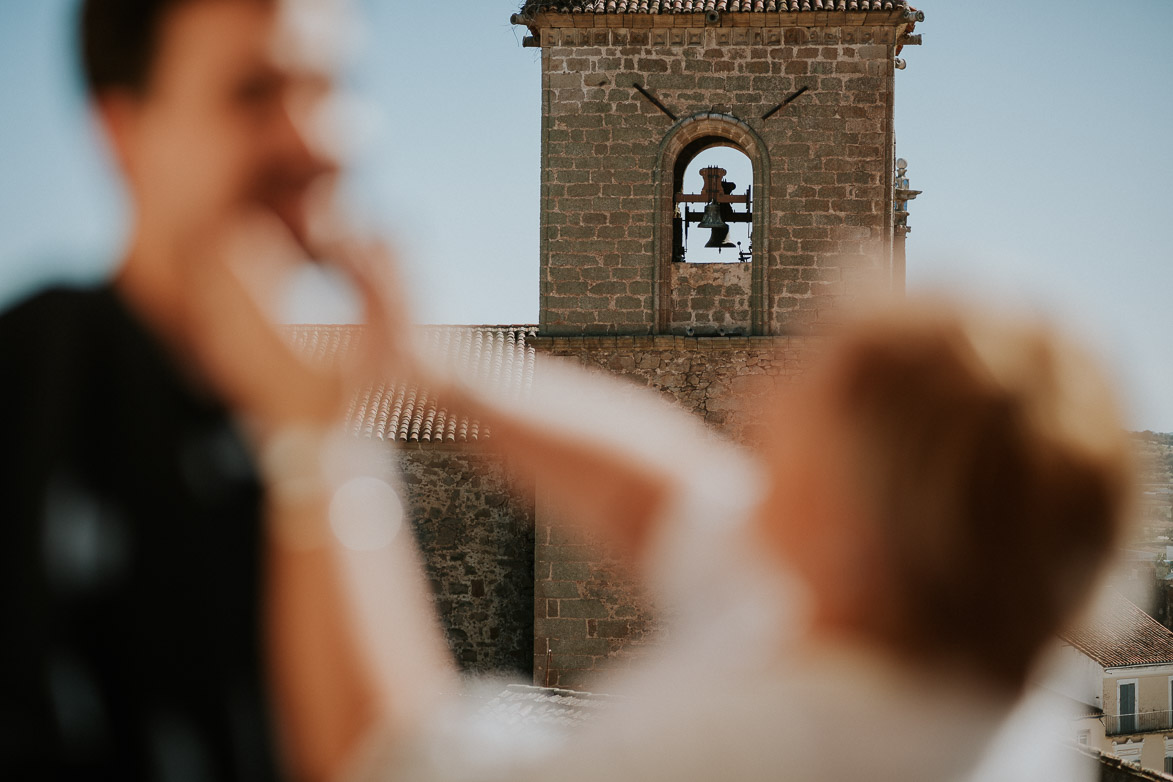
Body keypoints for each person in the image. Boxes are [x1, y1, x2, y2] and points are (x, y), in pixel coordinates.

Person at [319, 299, 1135, 782]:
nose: (752, 403)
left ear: (857, 539)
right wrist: (436, 374)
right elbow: (657, 495)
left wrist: (313, 446)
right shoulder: (931, 641)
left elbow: (384, 756)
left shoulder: (753, 753)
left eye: (810, 407)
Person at [0, 0, 446, 779]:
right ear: (122, 130)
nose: (317, 139)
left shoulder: (318, 430)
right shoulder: (26, 386)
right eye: (253, 91)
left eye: (331, 85)